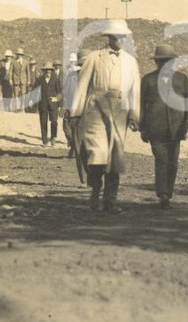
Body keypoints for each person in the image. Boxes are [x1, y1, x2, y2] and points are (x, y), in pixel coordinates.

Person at [71, 20, 141, 214]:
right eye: (117, 37)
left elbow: (135, 91)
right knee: (97, 153)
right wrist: (76, 112)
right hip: (96, 109)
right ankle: (95, 190)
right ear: (109, 38)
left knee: (115, 158)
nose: (121, 40)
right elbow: (82, 86)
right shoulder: (94, 57)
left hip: (119, 112)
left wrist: (134, 116)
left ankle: (110, 201)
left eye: (123, 37)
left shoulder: (130, 61)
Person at [140, 44, 188, 210]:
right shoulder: (148, 80)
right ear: (156, 62)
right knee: (161, 160)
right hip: (155, 128)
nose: (164, 64)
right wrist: (143, 128)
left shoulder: (181, 79)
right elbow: (142, 105)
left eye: (168, 61)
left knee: (173, 162)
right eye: (161, 61)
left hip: (176, 128)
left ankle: (168, 193)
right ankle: (163, 195)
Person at [65, 50, 90, 180]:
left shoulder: (96, 76)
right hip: (77, 116)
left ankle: (95, 176)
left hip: (93, 116)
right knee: (80, 149)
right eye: (82, 64)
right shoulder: (71, 76)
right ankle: (85, 178)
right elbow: (67, 93)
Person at [34, 61, 62, 146]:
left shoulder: (55, 79)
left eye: (49, 70)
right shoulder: (40, 79)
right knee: (43, 122)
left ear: (52, 70)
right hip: (43, 104)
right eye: (46, 70)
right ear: (43, 71)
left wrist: (57, 99)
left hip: (53, 104)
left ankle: (53, 137)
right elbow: (34, 91)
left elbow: (60, 92)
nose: (48, 71)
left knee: (54, 121)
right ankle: (45, 141)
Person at [10, 47, 28, 111]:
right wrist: (10, 79)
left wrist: (28, 80)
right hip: (16, 80)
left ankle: (22, 106)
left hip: (23, 80)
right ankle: (16, 107)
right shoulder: (13, 62)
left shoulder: (26, 62)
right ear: (17, 54)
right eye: (18, 54)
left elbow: (27, 72)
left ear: (22, 55)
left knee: (23, 93)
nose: (19, 55)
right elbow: (10, 71)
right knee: (16, 93)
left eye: (20, 54)